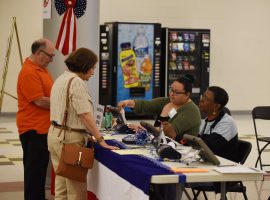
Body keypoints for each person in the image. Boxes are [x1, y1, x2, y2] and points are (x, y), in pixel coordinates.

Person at [48, 48, 119, 200]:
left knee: (62, 187)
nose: (93, 72)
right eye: (93, 68)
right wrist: (101, 140)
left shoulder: (61, 79)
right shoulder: (76, 82)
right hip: (70, 140)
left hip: (55, 135)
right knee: (76, 191)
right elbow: (85, 115)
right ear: (84, 66)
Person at [16, 38, 55, 200]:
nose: (52, 60)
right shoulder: (29, 72)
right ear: (39, 53)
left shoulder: (42, 69)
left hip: (43, 129)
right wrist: (63, 102)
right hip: (33, 131)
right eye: (50, 56)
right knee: (34, 176)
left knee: (39, 173)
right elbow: (40, 101)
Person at [118, 74, 201, 143]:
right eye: (171, 90)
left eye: (177, 92)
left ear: (187, 94)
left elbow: (169, 130)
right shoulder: (166, 101)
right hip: (160, 144)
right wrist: (127, 102)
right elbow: (146, 105)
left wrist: (143, 129)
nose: (172, 94)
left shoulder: (191, 110)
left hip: (183, 150)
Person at [198, 86, 238, 162]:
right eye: (203, 96)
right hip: (208, 162)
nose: (201, 100)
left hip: (223, 167)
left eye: (206, 99)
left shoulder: (227, 122)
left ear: (216, 106)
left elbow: (208, 147)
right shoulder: (206, 120)